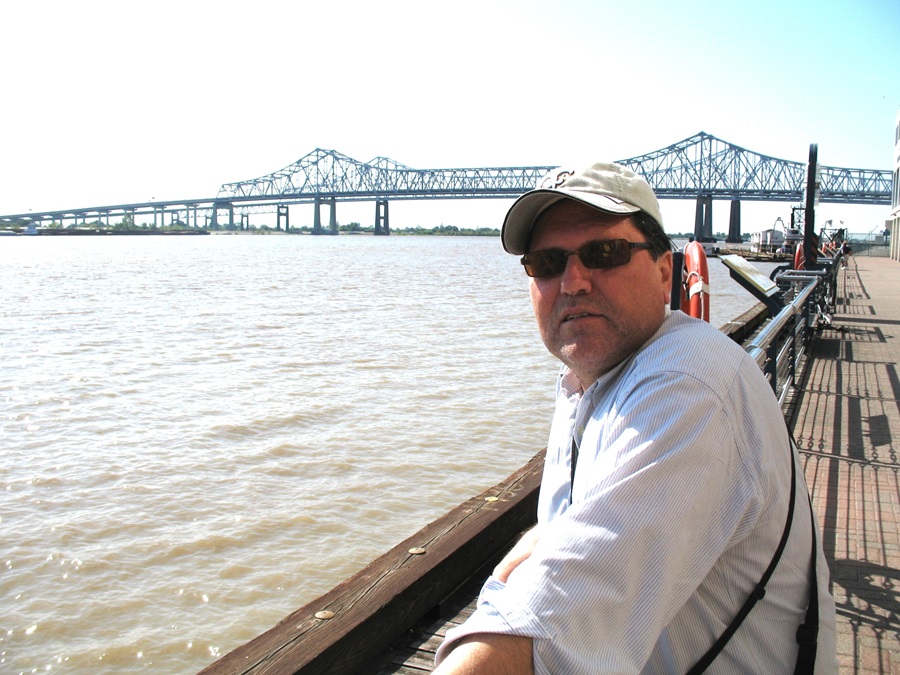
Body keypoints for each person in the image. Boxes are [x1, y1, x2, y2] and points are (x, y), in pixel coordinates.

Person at [433, 162, 837, 674]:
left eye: (604, 253)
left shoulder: (686, 385)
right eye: (547, 262)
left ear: (665, 273)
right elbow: (570, 543)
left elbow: (542, 636)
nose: (573, 282)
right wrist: (527, 557)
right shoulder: (591, 379)